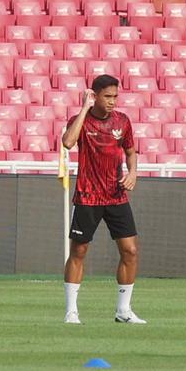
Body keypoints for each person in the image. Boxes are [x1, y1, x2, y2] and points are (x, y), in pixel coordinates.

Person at [60, 75, 144, 324]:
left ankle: (123, 310)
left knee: (130, 251)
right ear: (95, 96)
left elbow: (130, 152)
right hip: (88, 196)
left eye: (115, 96)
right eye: (107, 96)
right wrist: (84, 108)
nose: (112, 101)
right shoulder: (80, 121)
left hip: (116, 196)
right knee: (79, 251)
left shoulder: (123, 121)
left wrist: (133, 173)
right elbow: (67, 142)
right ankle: (71, 311)